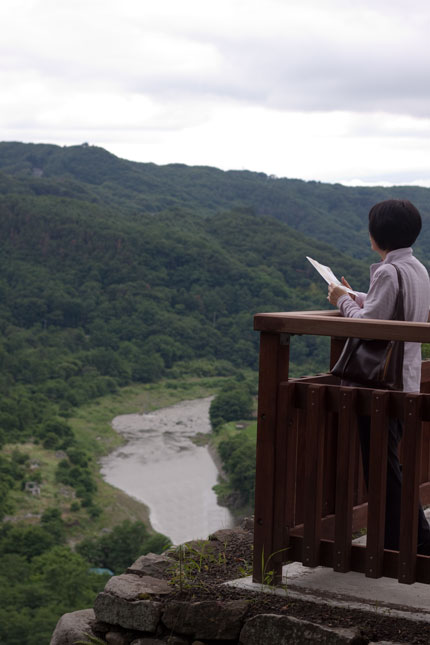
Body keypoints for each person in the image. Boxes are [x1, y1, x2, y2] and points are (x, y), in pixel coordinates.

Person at [328, 198, 430, 554]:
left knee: (383, 467)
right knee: (389, 462)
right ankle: (411, 536)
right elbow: (388, 307)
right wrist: (353, 294)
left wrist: (342, 302)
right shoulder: (417, 268)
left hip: (380, 384)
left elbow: (371, 326)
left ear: (376, 234)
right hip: (406, 378)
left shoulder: (388, 271)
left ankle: (408, 541)